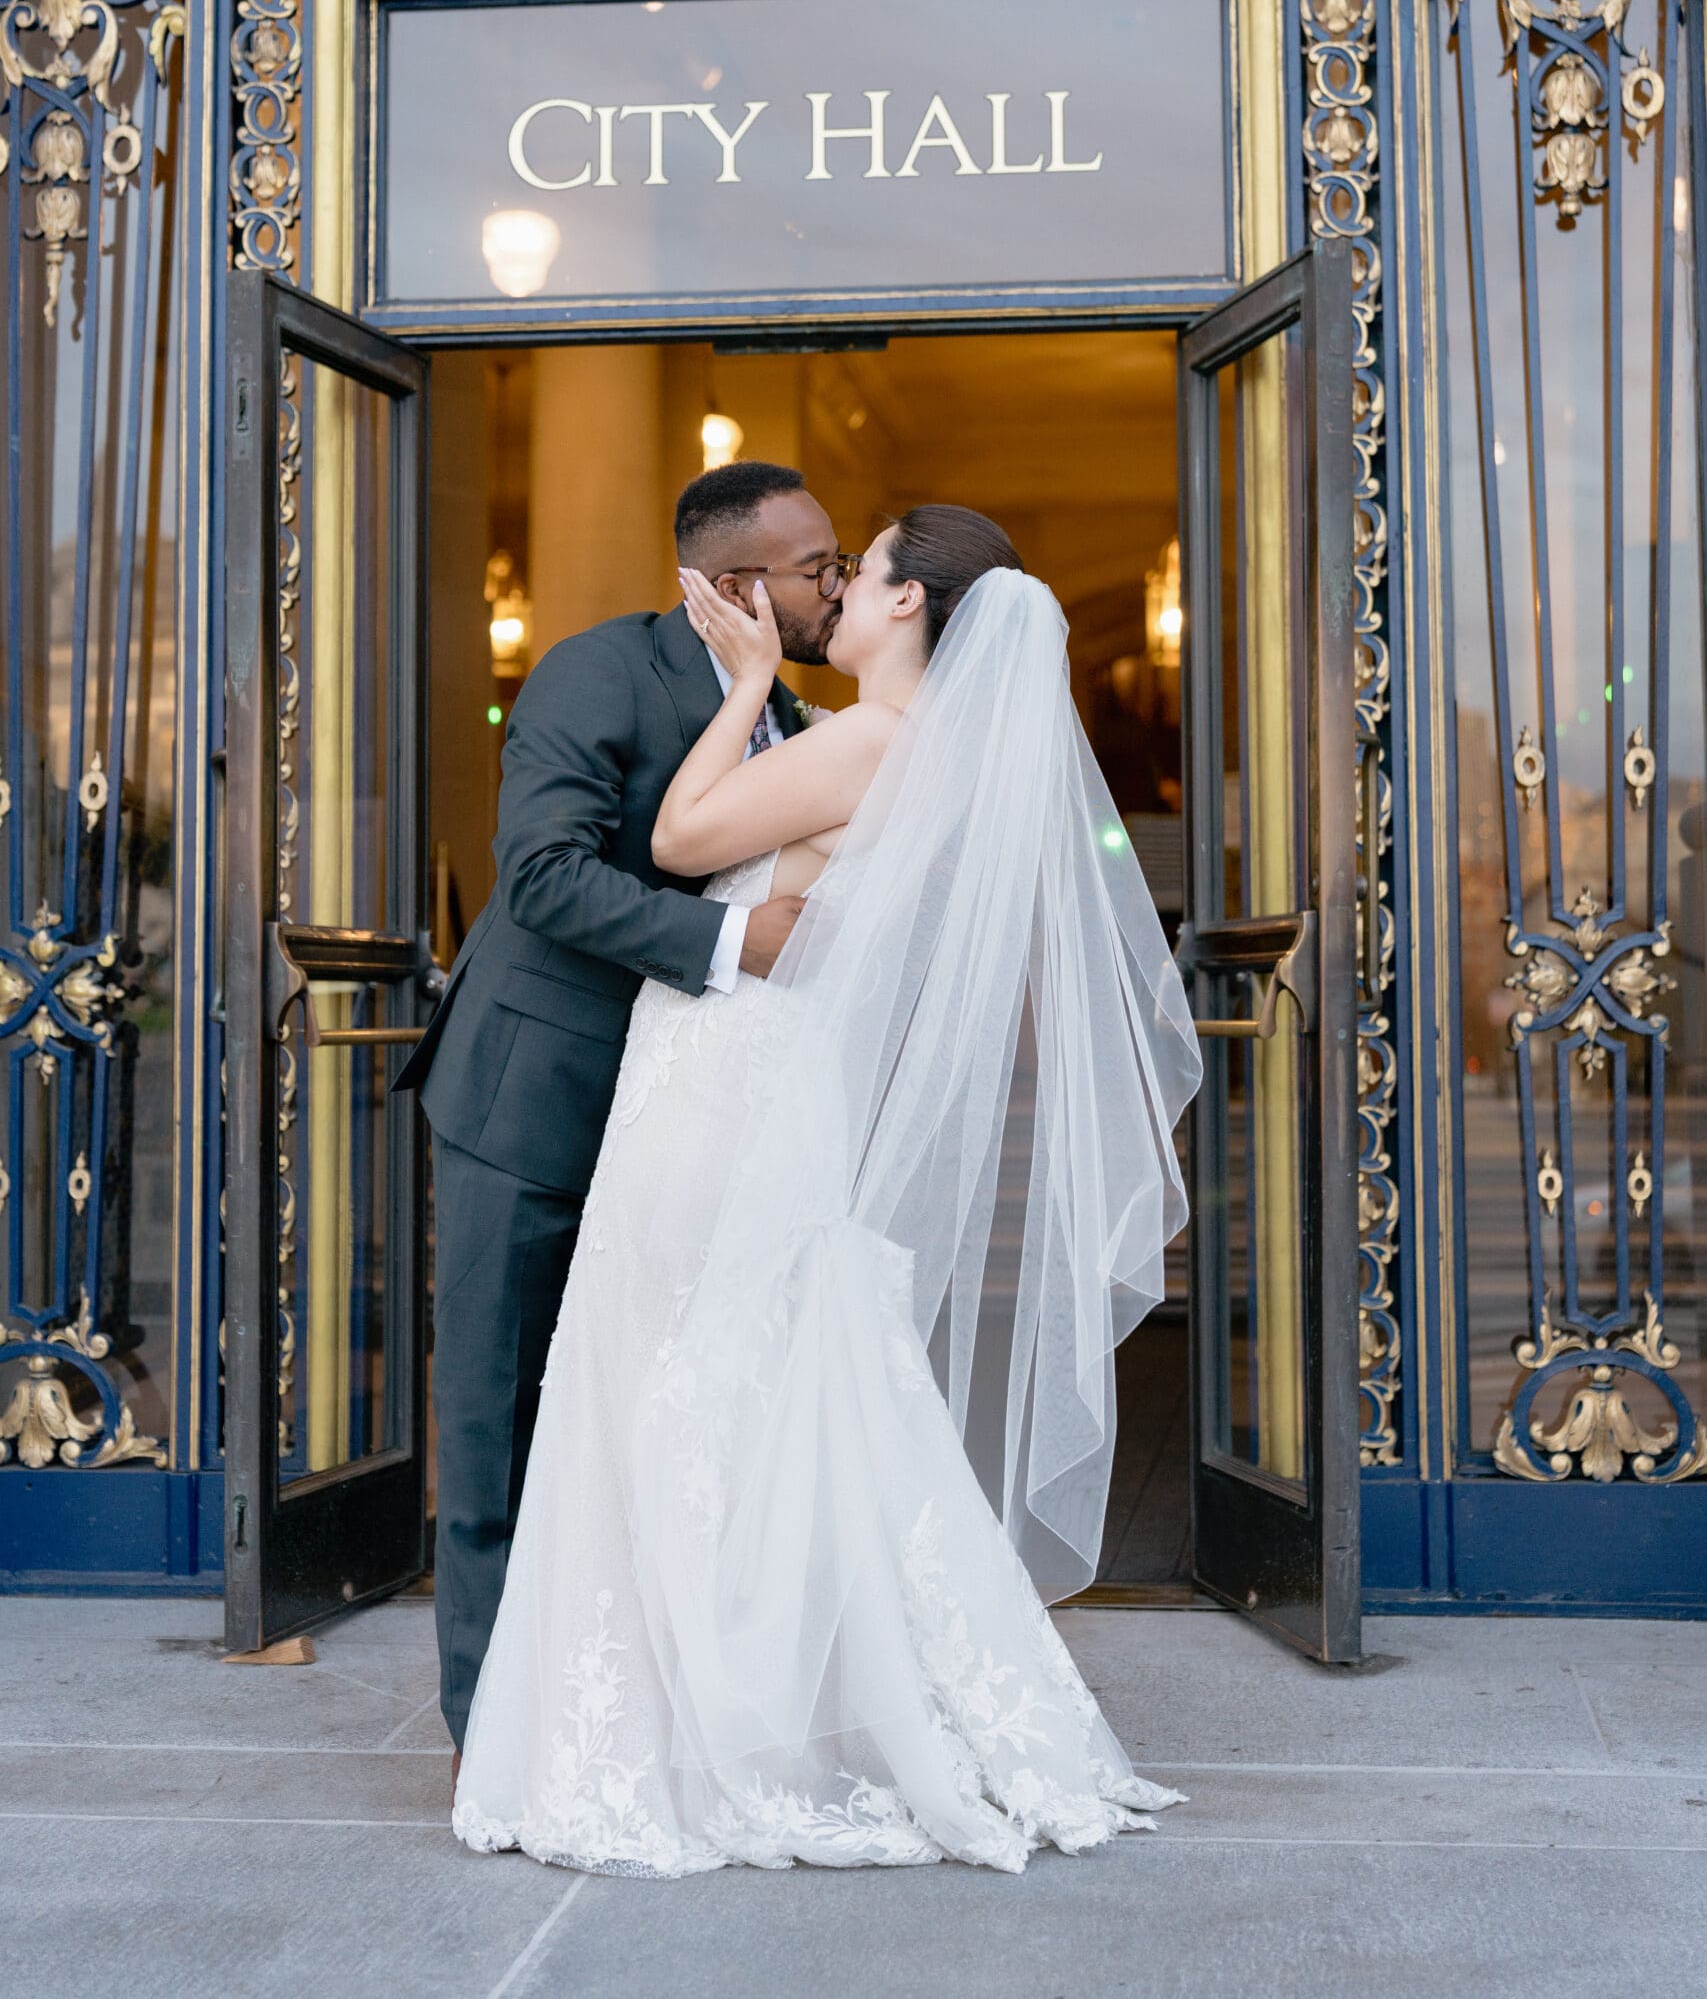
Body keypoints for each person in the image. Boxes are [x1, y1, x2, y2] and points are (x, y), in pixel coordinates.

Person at [451, 502, 1200, 1874]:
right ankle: (745, 1699)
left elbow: (680, 842)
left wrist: (742, 687)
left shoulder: (864, 735)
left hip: (722, 1082)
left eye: (867, 572)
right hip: (763, 1081)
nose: (843, 591)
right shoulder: (925, 751)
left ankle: (689, 1720)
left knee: (665, 1379)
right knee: (757, 1389)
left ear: (910, 608)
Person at [394, 462, 855, 1770]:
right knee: (498, 1419)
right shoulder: (598, 671)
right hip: (534, 1102)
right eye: (814, 564)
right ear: (727, 585)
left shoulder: (801, 716)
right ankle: (488, 1734)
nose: (833, 582)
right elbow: (540, 875)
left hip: (687, 1127)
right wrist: (735, 942)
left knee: (634, 1421)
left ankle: (619, 1704)